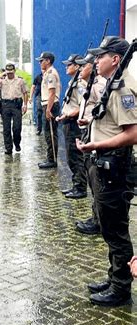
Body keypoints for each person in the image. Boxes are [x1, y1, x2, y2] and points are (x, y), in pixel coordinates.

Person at [77, 36, 137, 307]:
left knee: (116, 230)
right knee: (108, 226)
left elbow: (133, 133)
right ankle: (114, 276)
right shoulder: (112, 85)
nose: (95, 61)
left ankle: (121, 289)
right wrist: (90, 120)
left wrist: (97, 144)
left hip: (114, 165)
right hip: (103, 162)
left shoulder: (123, 88)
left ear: (115, 59)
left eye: (101, 56)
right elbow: (112, 121)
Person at [74, 53, 107, 235]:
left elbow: (105, 114)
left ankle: (99, 221)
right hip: (89, 132)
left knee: (97, 180)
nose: (80, 69)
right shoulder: (89, 85)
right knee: (91, 176)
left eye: (83, 66)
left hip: (98, 138)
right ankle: (96, 216)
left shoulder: (101, 85)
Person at [56, 54, 87, 199]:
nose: (67, 67)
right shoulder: (73, 82)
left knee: (75, 156)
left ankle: (80, 188)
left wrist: (67, 115)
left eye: (69, 65)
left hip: (74, 124)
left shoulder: (80, 85)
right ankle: (76, 185)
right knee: (70, 157)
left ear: (77, 66)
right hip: (68, 122)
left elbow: (82, 106)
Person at [0, 63, 28, 155]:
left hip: (16, 105)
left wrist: (25, 105)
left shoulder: (20, 80)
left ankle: (17, 143)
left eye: (11, 72)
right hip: (6, 105)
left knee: (17, 127)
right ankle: (8, 148)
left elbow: (25, 93)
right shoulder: (2, 81)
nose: (9, 74)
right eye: (8, 73)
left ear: (14, 71)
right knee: (6, 128)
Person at [37, 51, 61, 168]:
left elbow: (52, 93)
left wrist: (48, 110)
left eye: (42, 61)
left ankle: (52, 160)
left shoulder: (51, 73)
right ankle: (50, 157)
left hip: (50, 105)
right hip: (47, 104)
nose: (40, 63)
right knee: (48, 133)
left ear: (48, 61)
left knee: (50, 133)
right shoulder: (47, 73)